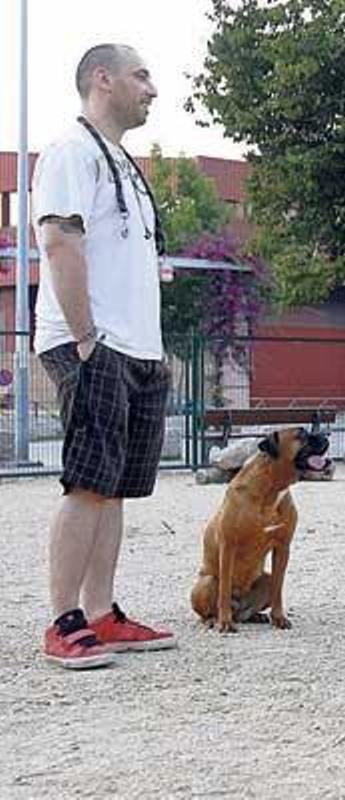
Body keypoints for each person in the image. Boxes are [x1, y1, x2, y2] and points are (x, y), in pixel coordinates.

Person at [33, 44, 175, 669]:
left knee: (113, 486)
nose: (151, 88)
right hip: (91, 342)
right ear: (102, 79)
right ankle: (63, 620)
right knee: (88, 480)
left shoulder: (123, 161)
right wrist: (87, 335)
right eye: (141, 75)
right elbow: (60, 242)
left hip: (137, 346)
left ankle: (100, 612)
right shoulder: (72, 151)